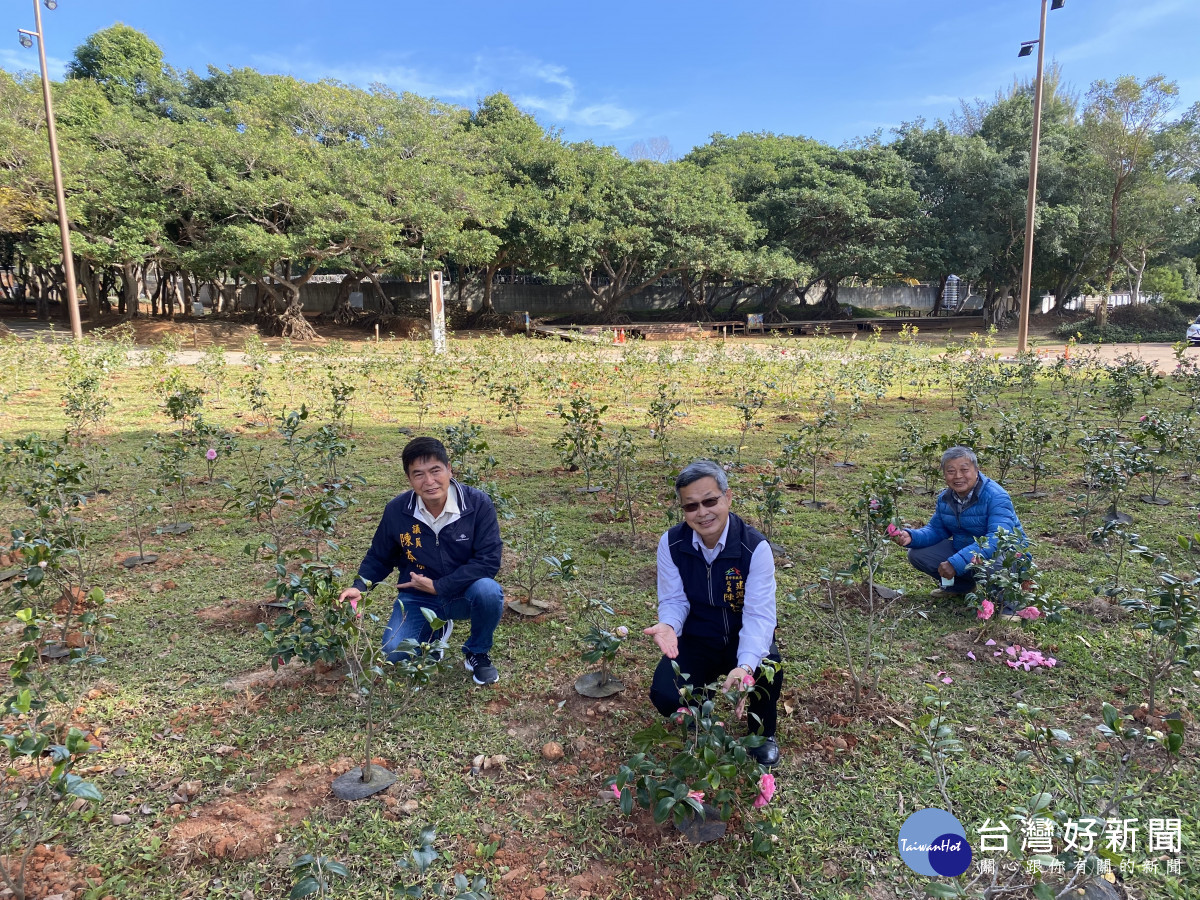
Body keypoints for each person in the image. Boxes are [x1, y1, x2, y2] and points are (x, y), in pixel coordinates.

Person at [644, 459, 783, 768]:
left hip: (740, 637)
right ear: (682, 509)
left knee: (768, 668)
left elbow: (759, 617)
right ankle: (700, 723)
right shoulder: (672, 544)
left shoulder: (754, 548)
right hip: (698, 638)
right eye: (691, 506)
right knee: (666, 692)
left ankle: (762, 734)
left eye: (710, 501)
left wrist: (745, 665)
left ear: (727, 498)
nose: (702, 513)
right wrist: (668, 624)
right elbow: (674, 599)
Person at [338, 436, 504, 685]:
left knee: (489, 592)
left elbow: (488, 561)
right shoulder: (397, 510)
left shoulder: (477, 504)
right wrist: (359, 586)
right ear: (409, 479)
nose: (429, 482)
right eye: (418, 474)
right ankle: (437, 630)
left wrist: (440, 586)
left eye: (435, 471)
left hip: (464, 591)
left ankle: (477, 652)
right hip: (418, 596)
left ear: (449, 469)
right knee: (394, 652)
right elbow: (380, 555)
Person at [891, 446, 1026, 603]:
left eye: (964, 470)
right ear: (944, 474)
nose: (958, 476)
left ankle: (1009, 602)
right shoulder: (946, 498)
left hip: (1005, 554)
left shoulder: (996, 496)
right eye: (951, 471)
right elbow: (936, 529)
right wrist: (912, 536)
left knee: (996, 560)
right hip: (967, 551)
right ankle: (961, 587)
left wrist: (957, 562)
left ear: (976, 470)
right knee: (918, 554)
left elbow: (997, 540)